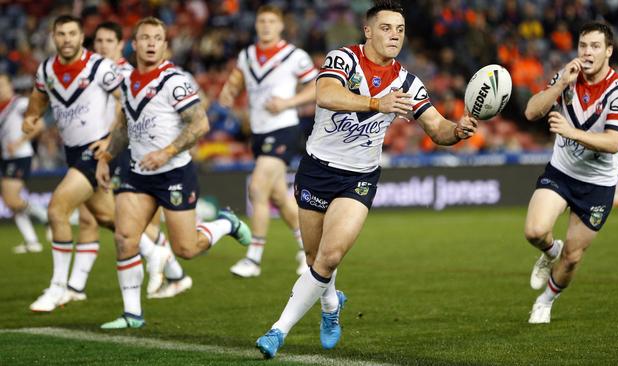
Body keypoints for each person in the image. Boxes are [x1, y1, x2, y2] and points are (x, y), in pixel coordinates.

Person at [255, 1, 477, 358]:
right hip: (317, 169)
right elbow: (325, 94)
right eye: (387, 28)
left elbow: (437, 128)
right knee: (316, 259)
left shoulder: (407, 82)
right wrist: (378, 103)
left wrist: (458, 130)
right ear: (368, 30)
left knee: (329, 255)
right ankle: (331, 306)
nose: (395, 35)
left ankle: (277, 331)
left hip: (358, 178)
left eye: (400, 30)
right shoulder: (343, 59)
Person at [95, 16, 252, 329]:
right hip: (138, 173)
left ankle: (225, 223)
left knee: (186, 249)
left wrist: (166, 152)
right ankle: (132, 314)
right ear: (134, 44)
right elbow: (125, 125)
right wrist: (106, 156)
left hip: (173, 174)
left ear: (165, 46)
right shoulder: (124, 81)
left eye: (158, 38)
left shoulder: (175, 81)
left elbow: (200, 124)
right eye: (145, 38)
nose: (151, 43)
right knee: (125, 238)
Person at [523, 22, 618, 324]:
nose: (587, 52)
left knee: (572, 257)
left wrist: (570, 132)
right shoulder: (566, 77)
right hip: (562, 171)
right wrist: (559, 85)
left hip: (597, 184)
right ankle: (549, 251)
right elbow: (531, 112)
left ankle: (545, 301)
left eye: (595, 46)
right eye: (583, 45)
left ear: (608, 51)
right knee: (534, 231)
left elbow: (614, 142)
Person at [23, 15, 126, 312]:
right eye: (61, 34)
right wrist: (32, 116)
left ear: (82, 37)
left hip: (96, 151)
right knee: (107, 218)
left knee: (57, 208)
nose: (67, 39)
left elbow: (127, 99)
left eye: (72, 33)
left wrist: (111, 140)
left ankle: (58, 288)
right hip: (72, 152)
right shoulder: (47, 69)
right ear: (53, 37)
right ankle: (159, 253)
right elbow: (38, 97)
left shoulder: (100, 67)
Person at [93, 21, 191, 299]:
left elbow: (122, 117)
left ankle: (160, 258)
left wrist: (167, 148)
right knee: (106, 219)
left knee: (115, 218)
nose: (102, 47)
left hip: (135, 153)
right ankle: (167, 270)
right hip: (117, 149)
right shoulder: (108, 74)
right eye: (98, 41)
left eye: (108, 41)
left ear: (120, 44)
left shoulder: (123, 74)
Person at [219, 4, 316, 278]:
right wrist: (228, 92)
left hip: (284, 129)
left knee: (258, 188)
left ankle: (253, 258)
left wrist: (288, 102)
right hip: (259, 133)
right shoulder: (247, 55)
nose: (266, 26)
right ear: (256, 24)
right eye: (262, 21)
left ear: (281, 26)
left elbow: (317, 87)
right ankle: (305, 249)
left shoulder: (294, 56)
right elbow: (236, 81)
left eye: (271, 21)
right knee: (278, 197)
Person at [0, 72, 47, 253]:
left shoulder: (19, 104)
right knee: (10, 202)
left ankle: (44, 215)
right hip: (6, 157)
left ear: (11, 86)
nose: (1, 89)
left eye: (3, 84)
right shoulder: (2, 108)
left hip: (20, 155)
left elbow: (39, 124)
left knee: (12, 199)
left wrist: (20, 142)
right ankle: (31, 241)